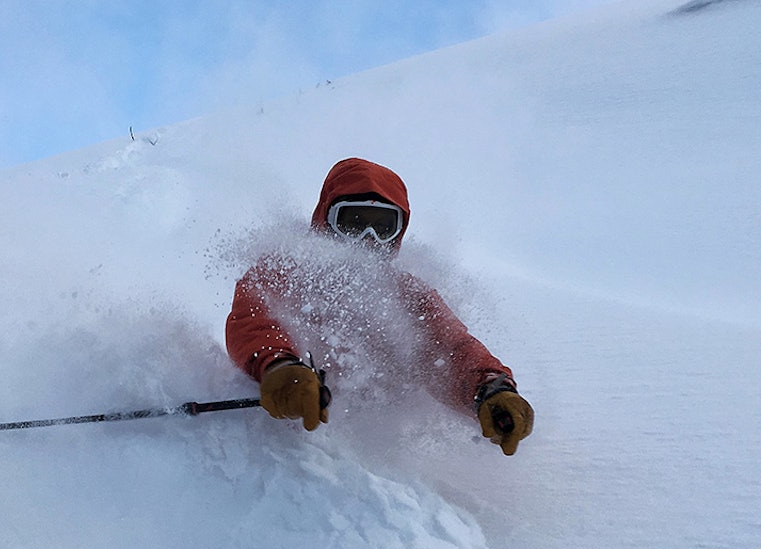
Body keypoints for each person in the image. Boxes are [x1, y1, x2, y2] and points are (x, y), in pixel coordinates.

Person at [224, 157, 534, 456]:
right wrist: (280, 366)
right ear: (325, 220)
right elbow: (253, 320)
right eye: (354, 223)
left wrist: (491, 388)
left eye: (382, 228)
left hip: (372, 452)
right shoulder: (285, 269)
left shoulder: (408, 294)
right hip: (292, 430)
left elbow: (451, 350)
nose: (367, 240)